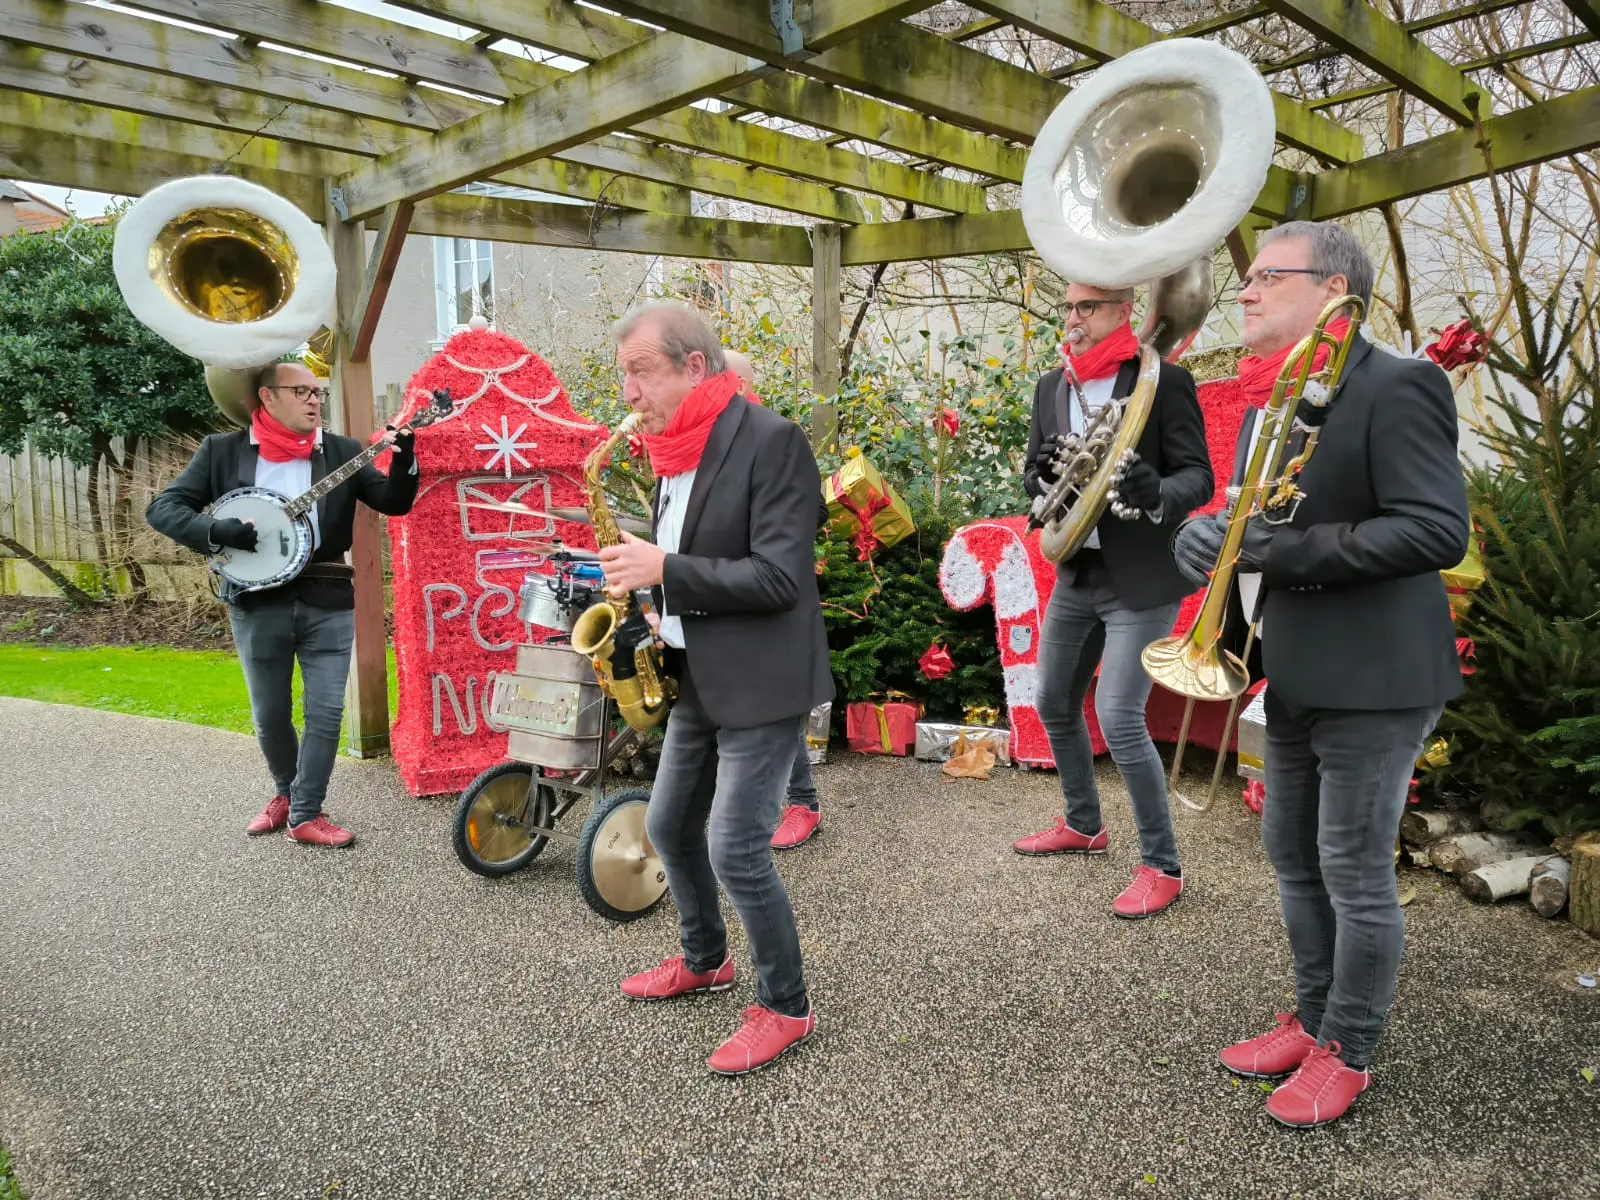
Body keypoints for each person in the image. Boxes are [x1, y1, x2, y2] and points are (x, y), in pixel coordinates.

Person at [1171, 221, 1469, 1128]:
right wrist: (1204, 540)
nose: (1247, 290)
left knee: (1352, 868)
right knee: (1292, 855)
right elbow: (1252, 525)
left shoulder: (1400, 382)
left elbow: (1435, 529)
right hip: (1292, 670)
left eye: (1269, 276)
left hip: (1378, 677)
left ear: (1334, 290)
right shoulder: (1276, 400)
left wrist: (1286, 551)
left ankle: (1351, 1048)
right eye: (1250, 277)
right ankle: (1311, 1019)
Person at [599, 304, 833, 1075]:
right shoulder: (672, 446)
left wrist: (665, 569)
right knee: (669, 828)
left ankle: (786, 1006)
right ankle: (706, 960)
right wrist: (648, 593)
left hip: (764, 677)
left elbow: (778, 577)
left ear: (694, 367)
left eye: (641, 372)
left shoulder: (772, 441)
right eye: (625, 375)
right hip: (696, 669)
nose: (628, 392)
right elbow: (689, 555)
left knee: (735, 849)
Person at [146, 360, 419, 848]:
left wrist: (404, 460)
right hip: (257, 603)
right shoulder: (222, 451)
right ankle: (287, 794)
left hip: (327, 595)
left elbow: (394, 502)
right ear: (267, 396)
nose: (314, 400)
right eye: (301, 391)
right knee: (270, 714)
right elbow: (163, 508)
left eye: (318, 392)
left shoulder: (342, 452)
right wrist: (217, 531)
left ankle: (307, 812)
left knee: (325, 712)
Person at [1012, 283, 1214, 919]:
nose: (1074, 318)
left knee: (1119, 714)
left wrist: (1157, 490)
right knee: (1052, 700)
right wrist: (1044, 473)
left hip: (1142, 577)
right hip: (1078, 569)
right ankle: (1084, 824)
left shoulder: (1164, 382)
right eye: (1069, 307)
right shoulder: (1053, 385)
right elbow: (1033, 474)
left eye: (1088, 307)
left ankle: (1163, 865)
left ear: (1124, 311)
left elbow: (1199, 477)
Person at [723, 346, 825, 851]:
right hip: (730, 590)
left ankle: (803, 802)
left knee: (777, 703)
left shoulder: (778, 437)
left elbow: (814, 512)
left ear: (740, 385)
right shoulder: (713, 439)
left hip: (770, 590)